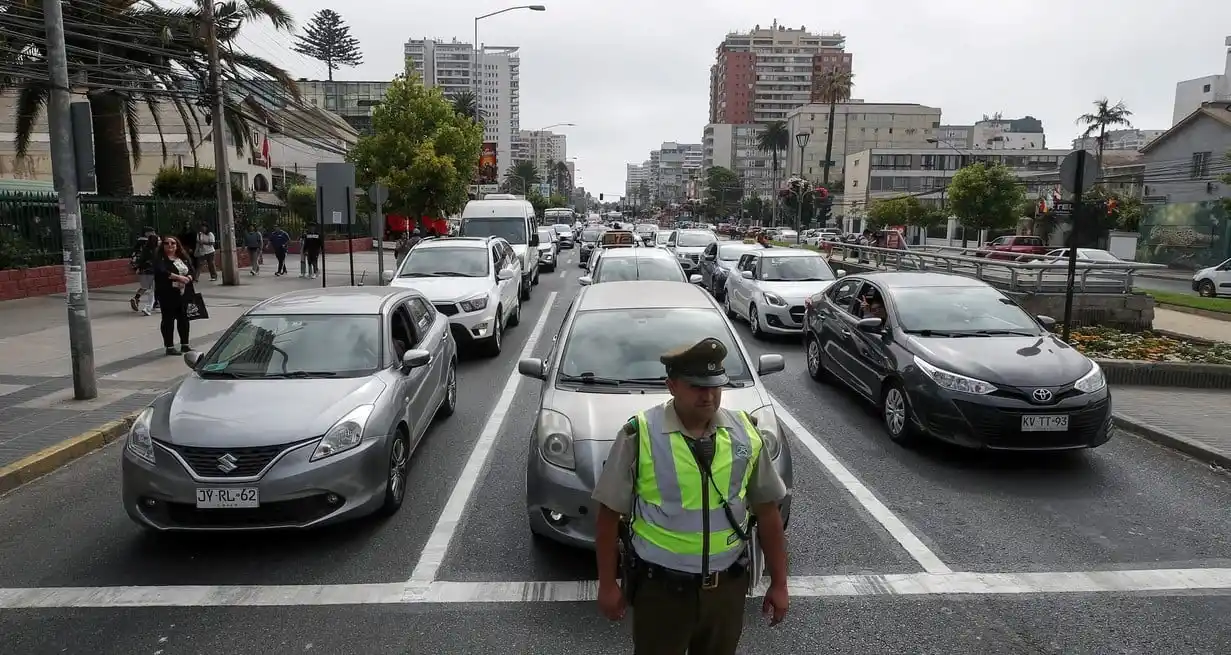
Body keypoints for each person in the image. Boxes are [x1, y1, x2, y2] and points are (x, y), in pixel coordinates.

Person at [592, 337, 790, 655]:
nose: (708, 395)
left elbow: (768, 512)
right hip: (661, 593)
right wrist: (606, 584)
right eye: (697, 386)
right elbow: (608, 515)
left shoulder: (746, 432)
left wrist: (779, 583)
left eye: (714, 385)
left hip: (726, 591)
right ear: (672, 386)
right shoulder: (640, 434)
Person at [153, 236, 197, 355]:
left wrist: (188, 278)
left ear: (177, 245)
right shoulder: (160, 259)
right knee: (168, 320)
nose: (170, 245)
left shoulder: (183, 258)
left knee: (184, 319)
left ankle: (185, 344)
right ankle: (169, 346)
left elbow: (192, 270)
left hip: (184, 292)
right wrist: (179, 277)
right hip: (167, 294)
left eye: (173, 243)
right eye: (167, 243)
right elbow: (162, 272)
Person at [129, 230, 160, 316]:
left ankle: (136, 298)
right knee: (153, 289)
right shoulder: (156, 251)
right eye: (158, 240)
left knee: (145, 287)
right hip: (152, 271)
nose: (160, 241)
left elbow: (141, 260)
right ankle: (150, 306)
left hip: (144, 270)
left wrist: (138, 268)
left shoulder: (145, 249)